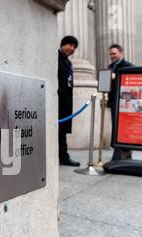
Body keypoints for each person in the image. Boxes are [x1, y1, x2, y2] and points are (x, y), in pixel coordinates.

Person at [108, 44, 134, 159]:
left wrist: (117, 76)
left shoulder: (128, 66)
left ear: (120, 53)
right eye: (110, 54)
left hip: (125, 103)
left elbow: (132, 81)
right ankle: (118, 150)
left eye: (114, 53)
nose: (111, 56)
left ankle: (127, 151)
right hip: (114, 101)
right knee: (115, 126)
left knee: (125, 127)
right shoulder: (110, 66)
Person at [58, 36, 80, 167]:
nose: (71, 48)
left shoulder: (67, 62)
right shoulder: (56, 58)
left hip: (66, 101)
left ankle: (63, 155)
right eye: (69, 45)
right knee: (59, 130)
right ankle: (63, 156)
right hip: (59, 101)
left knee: (63, 130)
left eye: (74, 47)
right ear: (63, 44)